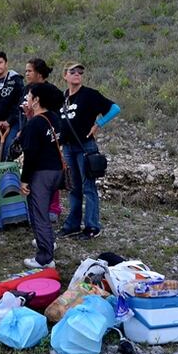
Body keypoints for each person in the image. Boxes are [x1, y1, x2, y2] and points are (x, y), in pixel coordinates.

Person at [58, 62, 121, 240]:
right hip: (68, 147)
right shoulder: (63, 97)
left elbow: (115, 108)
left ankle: (92, 227)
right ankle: (73, 225)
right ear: (65, 75)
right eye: (73, 71)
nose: (77, 74)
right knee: (73, 187)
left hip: (85, 147)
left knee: (88, 187)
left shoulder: (89, 95)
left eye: (80, 72)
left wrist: (98, 124)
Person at [19, 82, 66, 269]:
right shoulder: (54, 118)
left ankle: (45, 258)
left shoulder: (35, 124)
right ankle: (48, 243)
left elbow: (30, 155)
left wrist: (24, 180)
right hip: (56, 171)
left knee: (39, 215)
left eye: (29, 96)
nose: (27, 99)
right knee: (44, 213)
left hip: (41, 174)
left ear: (36, 100)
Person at [22, 58, 61, 220]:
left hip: (48, 135)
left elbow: (55, 115)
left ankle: (54, 207)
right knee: (35, 168)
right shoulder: (27, 89)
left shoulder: (51, 91)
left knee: (49, 168)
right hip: (33, 130)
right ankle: (39, 206)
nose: (26, 74)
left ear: (39, 73)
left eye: (29, 71)